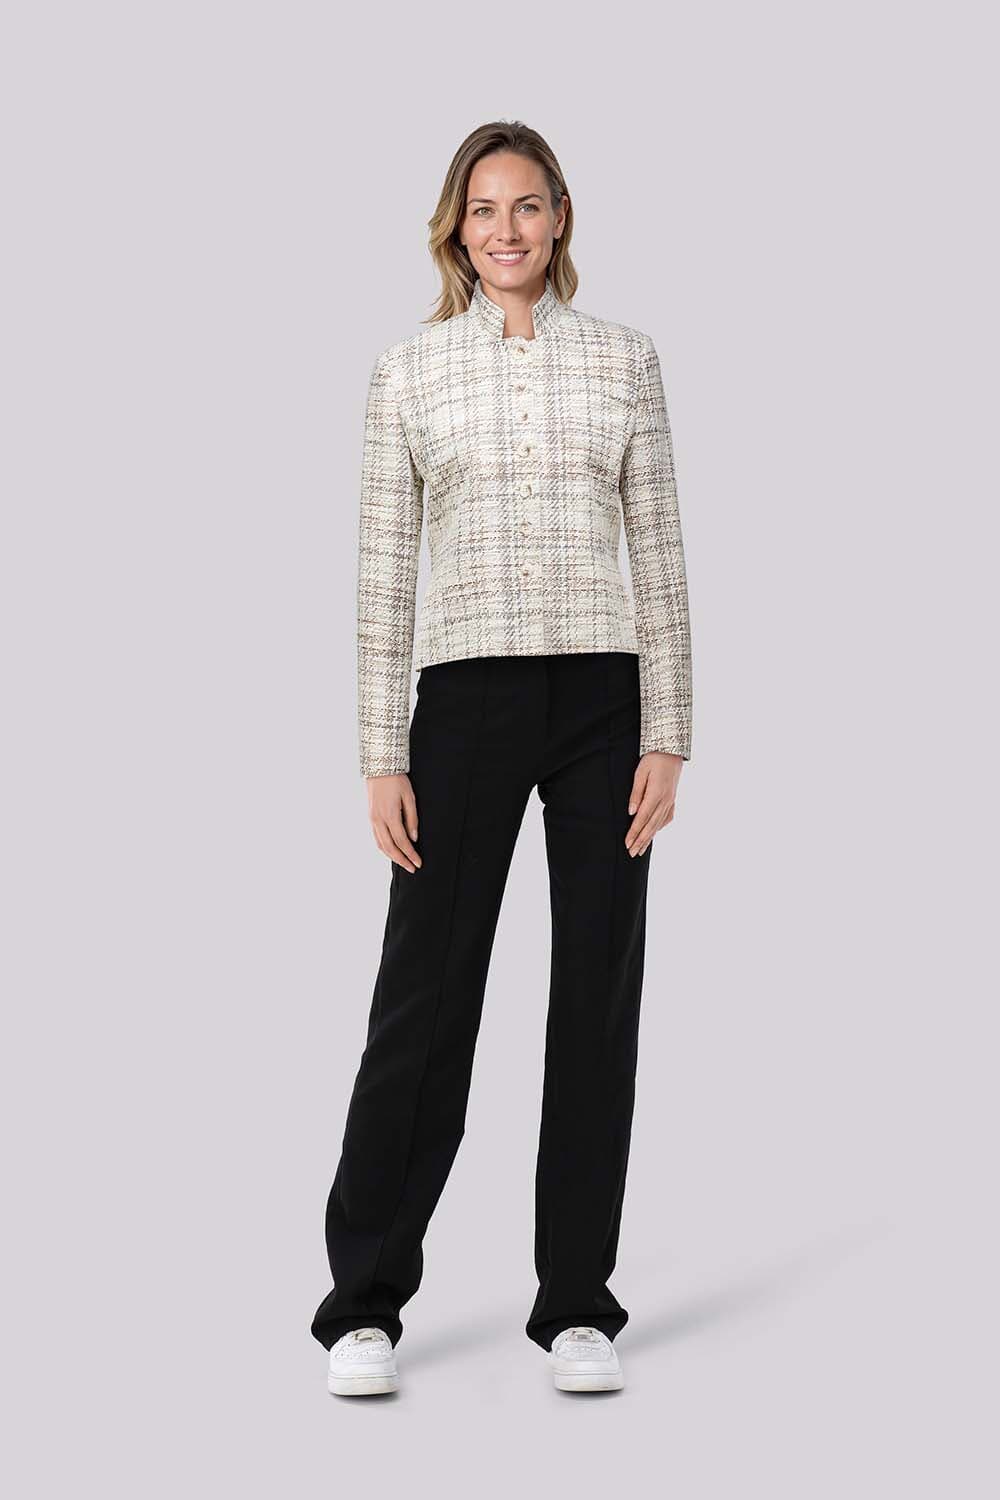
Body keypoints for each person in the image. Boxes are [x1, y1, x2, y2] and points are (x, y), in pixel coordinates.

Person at [310, 120, 693, 1397]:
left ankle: (577, 1304)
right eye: (483, 210)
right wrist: (382, 752)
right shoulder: (409, 371)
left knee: (595, 993)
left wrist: (667, 730)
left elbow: (660, 551)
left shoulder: (625, 360)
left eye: (526, 206)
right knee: (424, 998)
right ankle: (363, 1304)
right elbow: (381, 575)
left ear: (559, 216)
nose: (505, 230)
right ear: (456, 228)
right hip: (462, 703)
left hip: (602, 702)